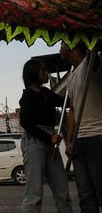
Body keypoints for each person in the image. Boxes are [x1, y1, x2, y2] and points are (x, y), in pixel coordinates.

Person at [18, 59, 73, 213]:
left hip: (50, 141)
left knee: (62, 192)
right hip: (34, 142)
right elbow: (26, 123)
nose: (46, 73)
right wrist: (49, 138)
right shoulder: (28, 95)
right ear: (35, 73)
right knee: (34, 194)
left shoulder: (46, 92)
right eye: (43, 70)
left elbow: (65, 102)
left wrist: (76, 90)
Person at [61, 42, 102, 212]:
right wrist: (69, 141)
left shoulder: (90, 62)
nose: (60, 49)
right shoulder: (71, 76)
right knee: (85, 196)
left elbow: (94, 50)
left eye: (62, 44)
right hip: (79, 140)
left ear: (71, 45)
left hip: (97, 136)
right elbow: (72, 110)